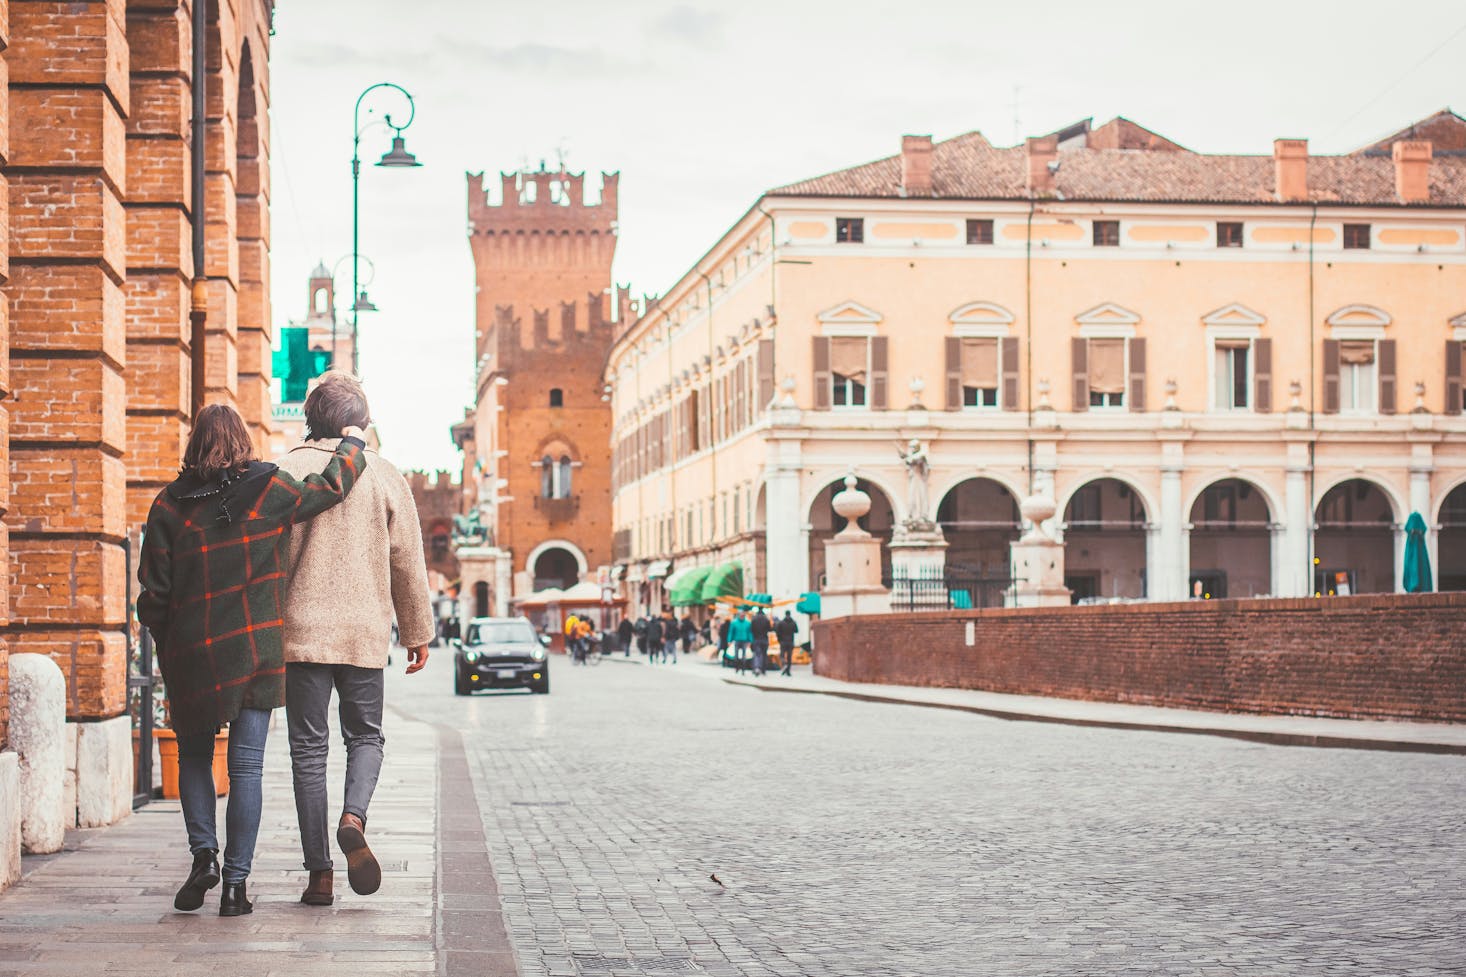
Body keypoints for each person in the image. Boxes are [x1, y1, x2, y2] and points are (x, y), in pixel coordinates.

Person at [138, 404, 367, 917]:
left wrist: (171, 642)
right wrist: (353, 442)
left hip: (193, 653)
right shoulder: (269, 489)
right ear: (243, 440)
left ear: (195, 444)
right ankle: (236, 886)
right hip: (255, 650)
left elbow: (151, 594)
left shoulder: (170, 506)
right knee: (246, 768)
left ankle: (204, 856)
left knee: (196, 759)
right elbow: (331, 487)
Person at [274, 373, 434, 908]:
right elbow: (407, 561)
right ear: (358, 424)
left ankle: (319, 875)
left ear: (311, 418)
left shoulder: (282, 471)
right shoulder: (385, 475)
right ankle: (353, 816)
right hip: (364, 631)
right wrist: (417, 631)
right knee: (365, 737)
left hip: (299, 634)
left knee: (307, 752)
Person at [776, 611, 799, 676]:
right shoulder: (793, 622)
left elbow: (777, 632)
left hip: (783, 641)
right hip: (790, 642)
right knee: (789, 657)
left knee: (782, 655)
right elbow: (796, 631)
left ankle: (784, 664)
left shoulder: (781, 623)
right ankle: (788, 670)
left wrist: (779, 640)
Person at [750, 607, 772, 676]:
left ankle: (757, 668)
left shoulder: (754, 619)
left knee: (757, 654)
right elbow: (769, 629)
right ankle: (763, 669)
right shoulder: (766, 619)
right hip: (764, 639)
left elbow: (751, 629)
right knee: (764, 654)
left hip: (756, 639)